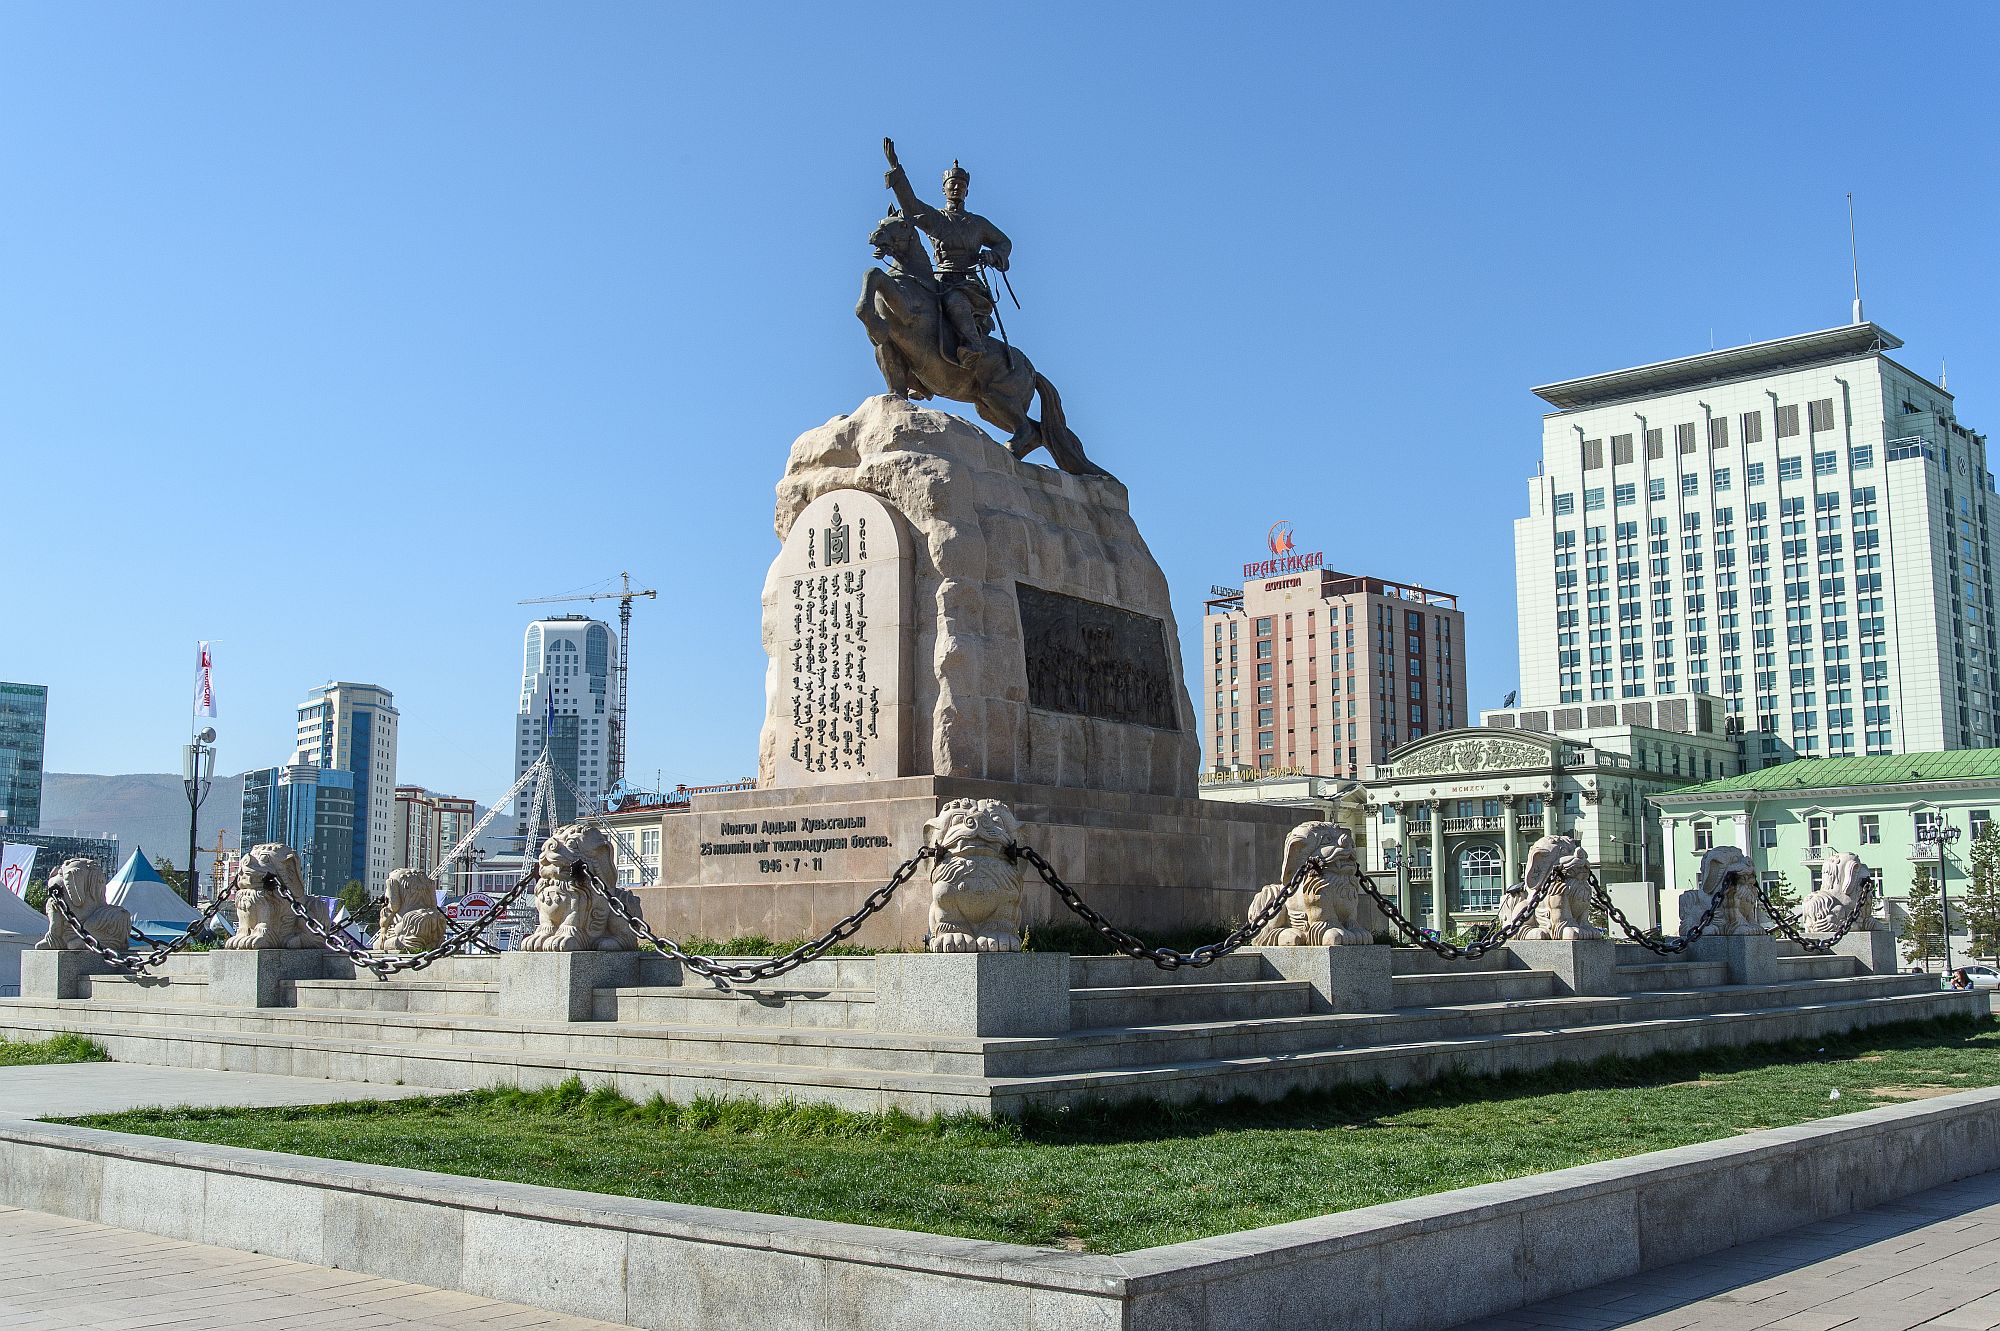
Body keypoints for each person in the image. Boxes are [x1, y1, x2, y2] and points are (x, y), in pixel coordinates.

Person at [883, 139, 1011, 373]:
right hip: (939, 278)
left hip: (966, 282)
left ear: (967, 191)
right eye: (952, 184)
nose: (957, 188)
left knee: (955, 302)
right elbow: (911, 206)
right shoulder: (937, 219)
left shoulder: (978, 224)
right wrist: (896, 169)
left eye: (961, 185)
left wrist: (993, 255)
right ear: (944, 189)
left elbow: (1005, 242)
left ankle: (973, 345)